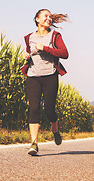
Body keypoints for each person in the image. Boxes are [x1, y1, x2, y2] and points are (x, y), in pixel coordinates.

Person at [21, 9, 69, 156]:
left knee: (49, 110)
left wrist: (46, 48)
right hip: (33, 75)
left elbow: (65, 54)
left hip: (50, 76)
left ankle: (55, 129)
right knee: (34, 108)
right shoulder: (29, 37)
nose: (48, 18)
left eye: (50, 16)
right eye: (45, 16)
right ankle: (34, 143)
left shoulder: (55, 36)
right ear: (37, 19)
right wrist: (26, 55)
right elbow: (30, 53)